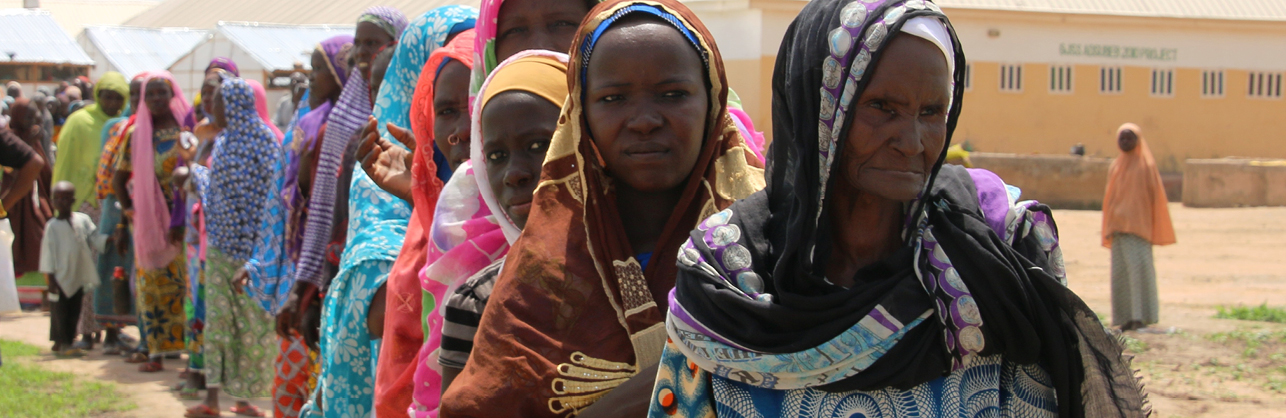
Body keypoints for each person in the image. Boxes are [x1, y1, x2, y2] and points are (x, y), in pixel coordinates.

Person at [648, 1, 1147, 417]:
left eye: (932, 112)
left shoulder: (995, 253)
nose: (912, 142)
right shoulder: (724, 276)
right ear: (818, 109)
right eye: (882, 107)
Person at [440, 0, 766, 416]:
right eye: (613, 98)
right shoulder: (541, 272)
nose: (644, 120)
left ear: (714, 102)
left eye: (673, 94)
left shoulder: (772, 245)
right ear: (581, 116)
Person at [340, 7, 479, 418]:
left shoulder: (529, 203)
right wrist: (420, 196)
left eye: (474, 103)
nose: (459, 129)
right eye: (445, 110)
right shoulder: (431, 211)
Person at [431, 49, 569, 408]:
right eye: (495, 156)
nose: (514, 173)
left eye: (538, 146)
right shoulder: (477, 302)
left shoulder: (658, 273)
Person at [238, 34, 352, 418]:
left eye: (320, 69)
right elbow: (290, 195)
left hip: (334, 261)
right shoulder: (306, 124)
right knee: (294, 366)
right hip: (303, 257)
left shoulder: (346, 128)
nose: (312, 77)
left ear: (341, 74)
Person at [183, 77, 281, 418]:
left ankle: (243, 399)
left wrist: (263, 253)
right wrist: (197, 173)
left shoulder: (265, 141)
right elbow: (219, 192)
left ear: (238, 103)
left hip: (253, 254)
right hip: (222, 247)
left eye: (221, 103)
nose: (214, 109)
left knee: (251, 327)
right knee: (218, 323)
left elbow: (273, 196)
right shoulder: (222, 141)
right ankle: (212, 400)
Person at [111, 72, 192, 373]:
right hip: (149, 223)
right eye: (151, 94)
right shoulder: (136, 134)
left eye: (163, 93)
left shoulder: (187, 130)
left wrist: (182, 214)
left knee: (188, 286)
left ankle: (189, 355)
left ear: (173, 95)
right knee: (152, 286)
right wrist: (130, 211)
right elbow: (118, 178)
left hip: (183, 221)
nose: (158, 99)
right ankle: (155, 352)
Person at [1104, 123, 1175, 332]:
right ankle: (1125, 318)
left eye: (1130, 138)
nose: (1125, 142)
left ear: (1138, 141)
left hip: (1138, 230)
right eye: (1122, 138)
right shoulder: (1116, 166)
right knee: (1121, 275)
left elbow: (1155, 200)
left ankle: (1141, 317)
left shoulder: (1146, 166)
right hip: (1118, 230)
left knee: (1138, 274)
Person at [94, 74, 146, 355]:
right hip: (117, 207)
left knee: (137, 271)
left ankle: (142, 333)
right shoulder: (116, 127)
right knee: (112, 266)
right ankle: (111, 333)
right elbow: (108, 175)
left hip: (141, 212)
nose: (139, 102)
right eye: (135, 96)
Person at [41, 181, 98, 358]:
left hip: (78, 276)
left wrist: (109, 240)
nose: (62, 202)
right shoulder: (52, 226)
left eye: (66, 198)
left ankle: (66, 342)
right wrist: (50, 279)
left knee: (74, 311)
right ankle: (63, 343)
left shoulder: (82, 220)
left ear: (73, 200)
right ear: (53, 201)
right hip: (59, 278)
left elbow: (94, 237)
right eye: (58, 199)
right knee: (59, 312)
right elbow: (47, 254)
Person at [3, 98, 53, 297]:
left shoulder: (35, 138)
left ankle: (46, 293)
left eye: (35, 117)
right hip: (14, 203)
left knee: (43, 238)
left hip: (33, 198)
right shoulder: (9, 137)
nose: (32, 121)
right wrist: (26, 144)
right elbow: (10, 171)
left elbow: (43, 169)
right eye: (28, 116)